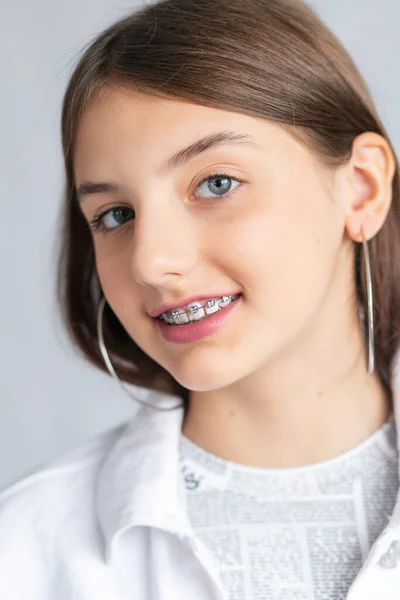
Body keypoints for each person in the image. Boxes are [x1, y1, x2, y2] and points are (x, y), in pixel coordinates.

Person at [1, 0, 400, 598]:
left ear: (362, 189)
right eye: (115, 215)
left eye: (216, 183)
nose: (150, 262)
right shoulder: (25, 551)